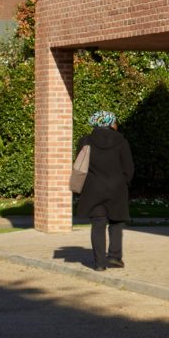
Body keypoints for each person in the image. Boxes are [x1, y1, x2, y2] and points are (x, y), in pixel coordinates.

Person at [74, 110, 134, 270]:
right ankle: (114, 257)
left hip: (93, 190)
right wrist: (125, 181)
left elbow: (80, 166)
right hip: (117, 189)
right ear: (110, 122)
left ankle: (100, 263)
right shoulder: (122, 141)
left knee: (98, 224)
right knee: (116, 223)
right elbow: (129, 167)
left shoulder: (85, 141)